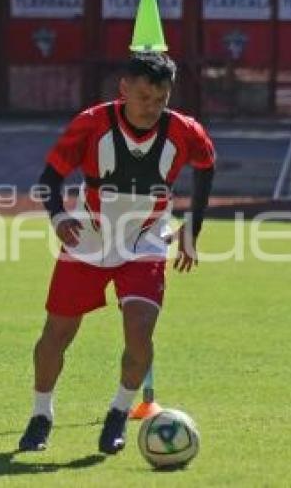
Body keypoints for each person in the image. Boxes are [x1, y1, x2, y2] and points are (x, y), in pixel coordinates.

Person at [18, 51, 215, 453]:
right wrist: (58, 218)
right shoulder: (92, 124)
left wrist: (192, 227)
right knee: (56, 334)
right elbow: (49, 178)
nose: (152, 107)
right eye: (144, 97)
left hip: (145, 241)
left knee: (139, 332)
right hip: (88, 238)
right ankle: (41, 415)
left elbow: (206, 165)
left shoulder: (184, 130)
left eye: (161, 99)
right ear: (123, 89)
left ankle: (118, 413)